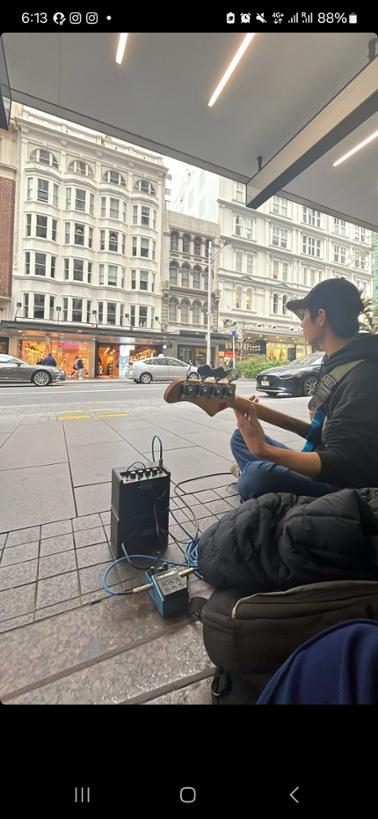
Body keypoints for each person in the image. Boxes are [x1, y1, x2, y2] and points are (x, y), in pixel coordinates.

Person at [230, 277, 378, 500]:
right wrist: (253, 420)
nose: (301, 323)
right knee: (239, 438)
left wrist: (263, 450)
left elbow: (343, 464)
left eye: (304, 315)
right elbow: (320, 433)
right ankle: (264, 484)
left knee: (256, 476)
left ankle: (258, 483)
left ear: (321, 316)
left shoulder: (362, 377)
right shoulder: (335, 361)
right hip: (326, 456)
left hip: (345, 487)